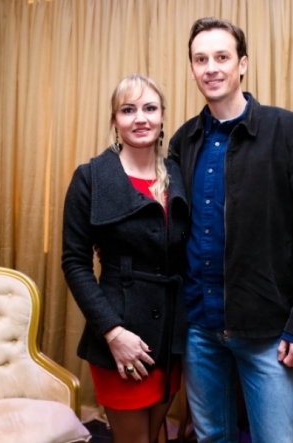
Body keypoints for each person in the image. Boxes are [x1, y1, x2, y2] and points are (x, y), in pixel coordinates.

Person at [168, 17, 293, 443]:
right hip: (199, 328)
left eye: (222, 57)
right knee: (212, 437)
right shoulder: (183, 141)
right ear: (192, 69)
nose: (211, 68)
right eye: (201, 59)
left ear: (242, 64)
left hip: (268, 331)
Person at [62, 74, 189, 443]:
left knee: (156, 434)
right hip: (121, 335)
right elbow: (74, 263)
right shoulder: (90, 178)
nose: (140, 118)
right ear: (115, 120)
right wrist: (113, 333)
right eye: (128, 110)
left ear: (162, 117)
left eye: (150, 108)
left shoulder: (177, 174)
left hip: (170, 336)